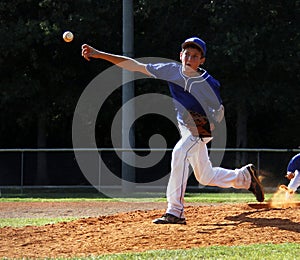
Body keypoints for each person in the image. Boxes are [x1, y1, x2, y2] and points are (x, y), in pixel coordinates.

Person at [81, 36, 264, 224]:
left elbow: (219, 111)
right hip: (185, 126)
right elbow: (134, 65)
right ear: (180, 55)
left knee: (179, 153)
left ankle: (175, 211)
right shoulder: (171, 71)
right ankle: (244, 177)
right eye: (187, 54)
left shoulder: (208, 82)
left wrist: (211, 124)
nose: (189, 58)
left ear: (202, 60)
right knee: (205, 176)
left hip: (202, 127)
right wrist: (99, 54)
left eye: (195, 56)